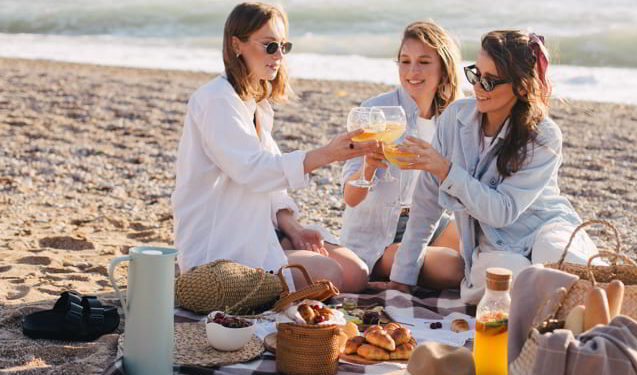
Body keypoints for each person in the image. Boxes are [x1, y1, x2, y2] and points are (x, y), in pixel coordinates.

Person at [171, 2, 378, 292]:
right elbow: (254, 171)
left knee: (356, 273)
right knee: (330, 273)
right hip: (222, 243)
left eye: (284, 46)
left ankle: (282, 252)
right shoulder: (216, 99)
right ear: (236, 45)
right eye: (270, 46)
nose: (279, 55)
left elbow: (273, 185)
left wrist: (293, 229)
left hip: (261, 228)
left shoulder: (256, 103)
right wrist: (328, 154)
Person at [385, 30, 600, 302]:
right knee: (512, 280)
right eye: (476, 74)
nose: (477, 87)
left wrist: (447, 171)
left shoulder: (543, 135)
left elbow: (503, 211)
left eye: (490, 82)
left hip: (544, 226)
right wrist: (402, 278)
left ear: (521, 87)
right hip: (491, 243)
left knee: (558, 263)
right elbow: (427, 203)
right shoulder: (455, 118)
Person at [339, 21, 463, 289]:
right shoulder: (377, 110)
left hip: (429, 222)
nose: (412, 71)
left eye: (423, 62)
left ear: (444, 67)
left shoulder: (452, 117)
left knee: (481, 251)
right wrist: (369, 167)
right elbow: (351, 197)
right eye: (405, 61)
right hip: (381, 236)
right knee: (454, 269)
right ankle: (382, 276)